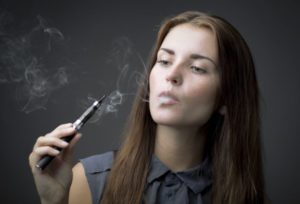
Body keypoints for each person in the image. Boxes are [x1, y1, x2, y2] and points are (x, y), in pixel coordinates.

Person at [29, 11, 266, 204]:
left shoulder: (245, 197)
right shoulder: (88, 183)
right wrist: (53, 202)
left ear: (226, 98)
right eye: (164, 61)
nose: (171, 74)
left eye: (197, 68)